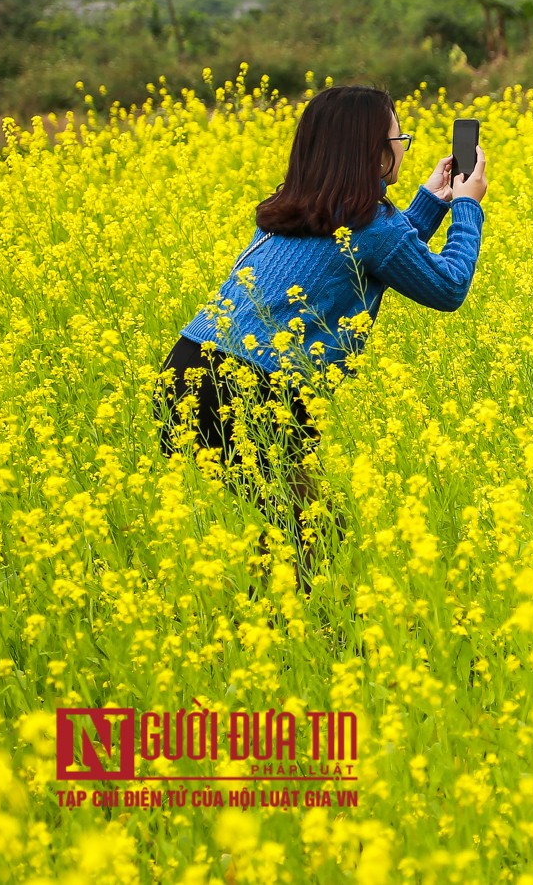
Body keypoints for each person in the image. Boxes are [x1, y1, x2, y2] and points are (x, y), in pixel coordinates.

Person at [155, 85, 489, 588]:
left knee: (302, 524)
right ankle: (276, 636)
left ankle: (273, 632)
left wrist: (429, 201)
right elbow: (446, 287)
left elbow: (357, 255)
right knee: (312, 526)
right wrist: (466, 207)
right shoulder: (369, 227)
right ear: (373, 151)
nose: (403, 147)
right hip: (245, 389)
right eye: (401, 137)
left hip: (190, 373)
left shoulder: (292, 209)